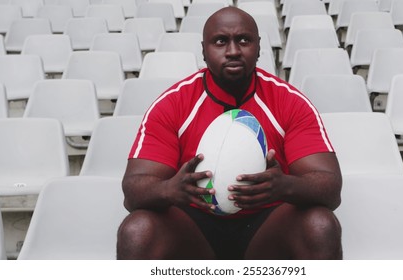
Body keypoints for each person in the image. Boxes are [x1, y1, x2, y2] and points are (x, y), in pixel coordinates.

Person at [116, 6, 342, 260]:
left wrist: (285, 186)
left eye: (244, 40)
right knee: (137, 230)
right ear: (204, 50)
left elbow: (331, 189)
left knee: (320, 224)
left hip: (268, 228)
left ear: (258, 48)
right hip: (194, 229)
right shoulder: (172, 104)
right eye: (221, 41)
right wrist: (170, 190)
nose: (233, 51)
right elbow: (133, 192)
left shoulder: (289, 102)